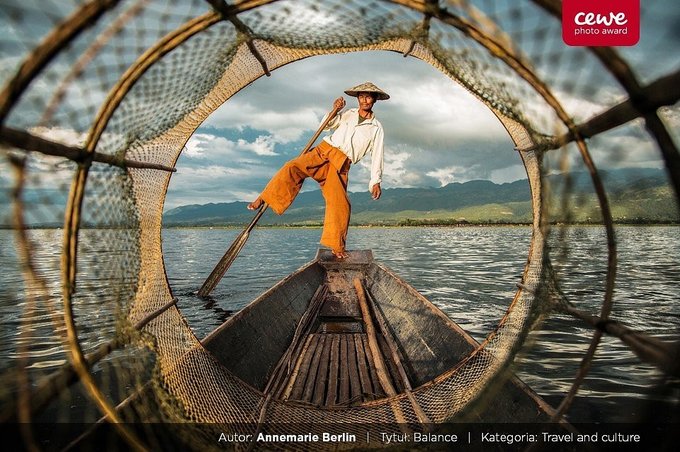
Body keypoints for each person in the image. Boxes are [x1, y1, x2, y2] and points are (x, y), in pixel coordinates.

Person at [247, 81, 389, 259]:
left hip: (341, 164)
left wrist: (375, 181)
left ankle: (337, 247)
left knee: (341, 204)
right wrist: (334, 110)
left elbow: (377, 154)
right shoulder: (348, 114)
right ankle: (263, 198)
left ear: (374, 100)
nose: (364, 100)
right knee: (292, 166)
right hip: (323, 151)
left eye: (368, 97)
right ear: (358, 99)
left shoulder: (376, 128)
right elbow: (327, 125)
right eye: (361, 96)